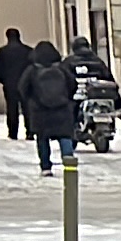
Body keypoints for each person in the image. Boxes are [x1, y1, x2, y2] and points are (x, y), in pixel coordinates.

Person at [21, 38, 79, 177]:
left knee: (42, 139)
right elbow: (73, 85)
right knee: (65, 136)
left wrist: (33, 101)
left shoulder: (32, 70)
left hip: (40, 111)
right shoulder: (62, 69)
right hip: (62, 109)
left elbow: (22, 88)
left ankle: (46, 166)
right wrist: (66, 98)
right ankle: (69, 163)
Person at [0, 28, 34, 139]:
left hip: (10, 84)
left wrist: (4, 80)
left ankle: (13, 132)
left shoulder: (2, 52)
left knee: (11, 109)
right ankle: (30, 131)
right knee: (27, 109)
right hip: (26, 84)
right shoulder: (28, 51)